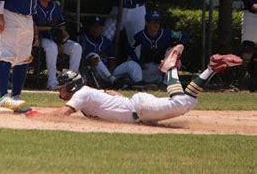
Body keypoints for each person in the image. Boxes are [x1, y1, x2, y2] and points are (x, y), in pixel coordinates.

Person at [45, 45, 242, 123]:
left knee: (184, 103)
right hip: (140, 110)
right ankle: (211, 68)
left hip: (141, 109)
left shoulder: (80, 94)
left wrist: (34, 116)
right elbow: (110, 93)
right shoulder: (86, 93)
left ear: (72, 86)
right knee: (186, 101)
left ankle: (171, 68)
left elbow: (62, 114)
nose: (59, 90)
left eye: (62, 86)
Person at [33, 0, 82, 90]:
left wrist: (62, 39)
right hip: (39, 39)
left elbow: (62, 26)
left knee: (76, 48)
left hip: (55, 39)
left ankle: (72, 81)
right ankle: (52, 81)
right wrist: (48, 28)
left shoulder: (54, 7)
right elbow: (31, 27)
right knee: (51, 46)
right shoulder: (33, 7)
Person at [80, 16, 143, 89]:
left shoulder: (106, 41)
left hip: (108, 74)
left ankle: (138, 84)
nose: (97, 29)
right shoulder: (83, 40)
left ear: (102, 28)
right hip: (92, 73)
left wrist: (109, 73)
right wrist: (87, 62)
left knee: (132, 64)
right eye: (94, 26)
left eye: (99, 26)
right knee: (93, 56)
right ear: (90, 27)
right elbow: (81, 62)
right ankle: (114, 82)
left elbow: (112, 60)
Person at [131, 10, 189, 86]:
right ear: (146, 23)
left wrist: (179, 46)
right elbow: (130, 48)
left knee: (174, 58)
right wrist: (138, 63)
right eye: (154, 22)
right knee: (148, 75)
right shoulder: (140, 36)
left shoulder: (167, 33)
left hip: (166, 64)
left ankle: (166, 83)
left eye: (158, 22)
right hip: (150, 67)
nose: (156, 25)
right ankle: (157, 81)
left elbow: (184, 36)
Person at [238, 0, 257, 92]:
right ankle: (240, 82)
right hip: (252, 15)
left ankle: (253, 83)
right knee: (247, 49)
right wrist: (252, 5)